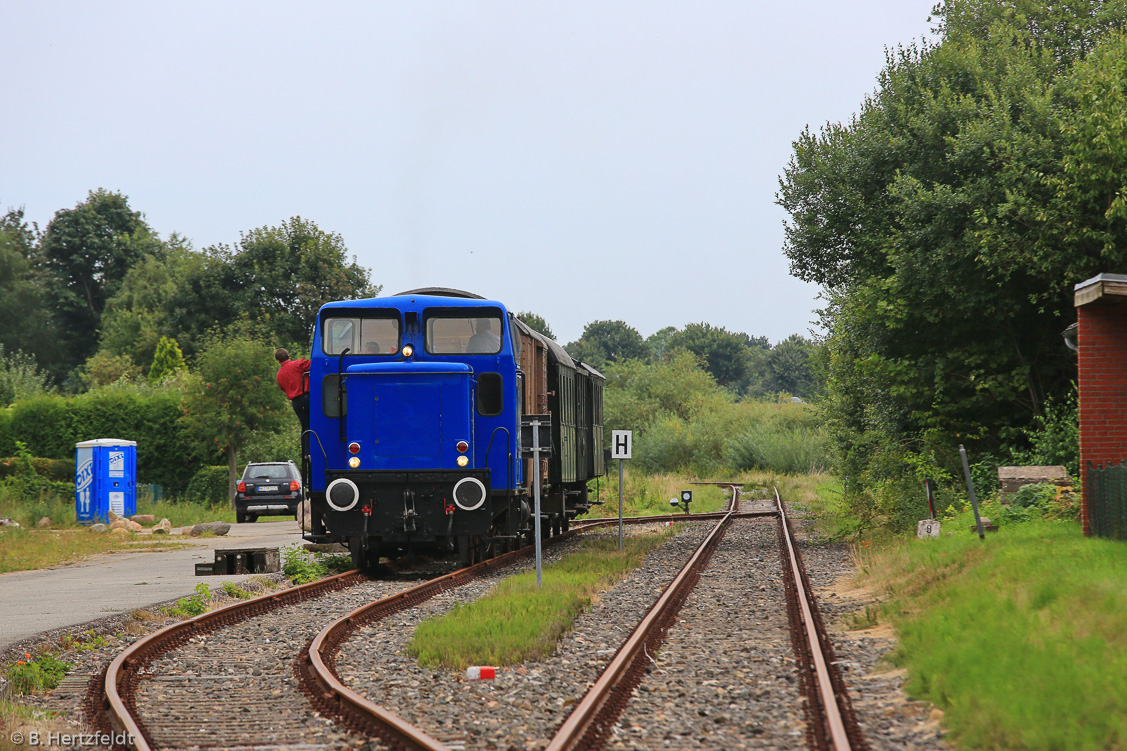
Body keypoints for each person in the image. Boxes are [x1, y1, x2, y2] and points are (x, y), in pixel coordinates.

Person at [275, 348, 311, 446]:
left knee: (305, 427)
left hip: (296, 403)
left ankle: (306, 454)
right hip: (308, 398)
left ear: (278, 361)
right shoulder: (298, 364)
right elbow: (315, 365)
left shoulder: (279, 375)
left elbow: (283, 388)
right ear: (289, 356)